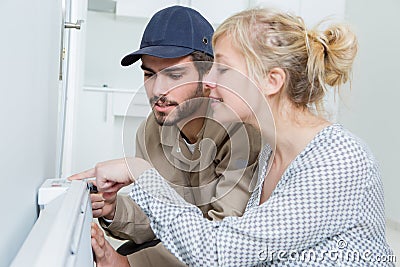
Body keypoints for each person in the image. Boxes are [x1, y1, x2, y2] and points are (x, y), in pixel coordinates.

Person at [72, 7, 395, 266]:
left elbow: (219, 253)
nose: (208, 80)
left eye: (222, 69)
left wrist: (140, 172)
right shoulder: (272, 153)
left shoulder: (338, 159)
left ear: (272, 81)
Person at [85, 5, 261, 267]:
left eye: (174, 75)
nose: (157, 90)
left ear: (208, 73)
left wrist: (130, 264)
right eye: (149, 74)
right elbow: (161, 219)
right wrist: (113, 211)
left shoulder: (240, 132)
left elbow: (219, 243)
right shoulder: (151, 131)